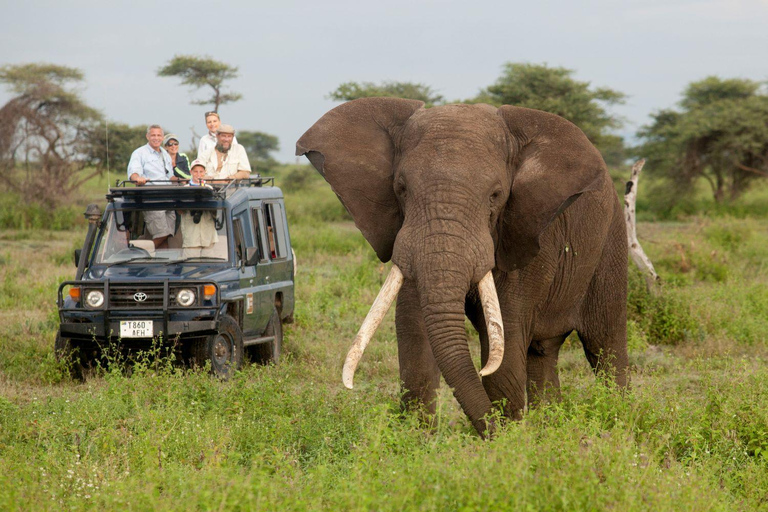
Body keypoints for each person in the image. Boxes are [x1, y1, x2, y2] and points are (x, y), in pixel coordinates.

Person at [126, 125, 175, 248]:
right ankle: (138, 251)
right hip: (153, 198)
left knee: (168, 234)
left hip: (169, 197)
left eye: (159, 135)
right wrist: (138, 178)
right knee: (162, 233)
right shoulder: (140, 153)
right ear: (147, 136)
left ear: (163, 137)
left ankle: (163, 264)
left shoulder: (165, 154)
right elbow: (134, 172)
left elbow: (170, 177)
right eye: (153, 135)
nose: (156, 138)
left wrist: (186, 180)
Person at [181, 160, 219, 257]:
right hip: (191, 235)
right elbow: (179, 211)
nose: (198, 174)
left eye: (201, 171)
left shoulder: (209, 188)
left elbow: (216, 211)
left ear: (205, 172)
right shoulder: (184, 189)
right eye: (195, 171)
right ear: (191, 172)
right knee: (190, 267)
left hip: (208, 234)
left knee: (209, 266)